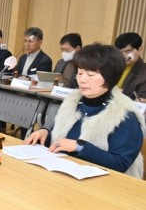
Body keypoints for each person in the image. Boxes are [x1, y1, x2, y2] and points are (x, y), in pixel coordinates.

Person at [25, 43, 144, 178]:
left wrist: (80, 146)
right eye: (80, 73)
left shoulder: (124, 114)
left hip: (107, 183)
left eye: (91, 74)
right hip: (66, 174)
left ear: (110, 77)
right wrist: (45, 133)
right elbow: (59, 139)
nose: (82, 80)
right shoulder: (72, 101)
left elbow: (120, 164)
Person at [114, 32, 146, 101]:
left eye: (128, 51)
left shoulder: (144, 73)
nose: (123, 55)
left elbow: (140, 101)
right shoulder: (110, 65)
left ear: (139, 49)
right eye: (120, 52)